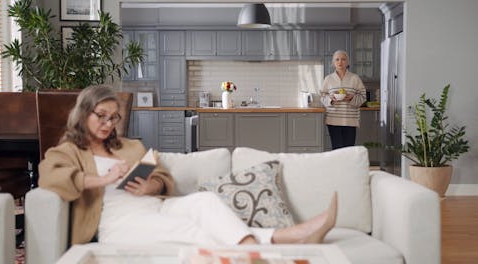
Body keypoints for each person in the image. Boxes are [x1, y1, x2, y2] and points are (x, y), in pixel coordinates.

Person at [39, 85, 338, 247]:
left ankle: (261, 247)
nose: (107, 123)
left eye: (113, 117)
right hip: (115, 222)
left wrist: (150, 185)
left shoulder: (130, 147)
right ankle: (278, 241)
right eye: (100, 116)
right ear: (83, 114)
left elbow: (160, 176)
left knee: (205, 203)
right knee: (192, 229)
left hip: (153, 205)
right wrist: (101, 181)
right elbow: (50, 177)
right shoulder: (69, 150)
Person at [320, 50, 366, 150]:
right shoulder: (328, 79)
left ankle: (348, 166)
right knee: (336, 149)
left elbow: (363, 96)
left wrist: (352, 98)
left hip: (350, 120)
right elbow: (322, 96)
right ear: (333, 63)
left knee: (349, 150)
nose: (340, 62)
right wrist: (330, 99)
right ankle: (337, 166)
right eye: (337, 59)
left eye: (343, 59)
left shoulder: (355, 78)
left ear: (348, 62)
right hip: (333, 120)